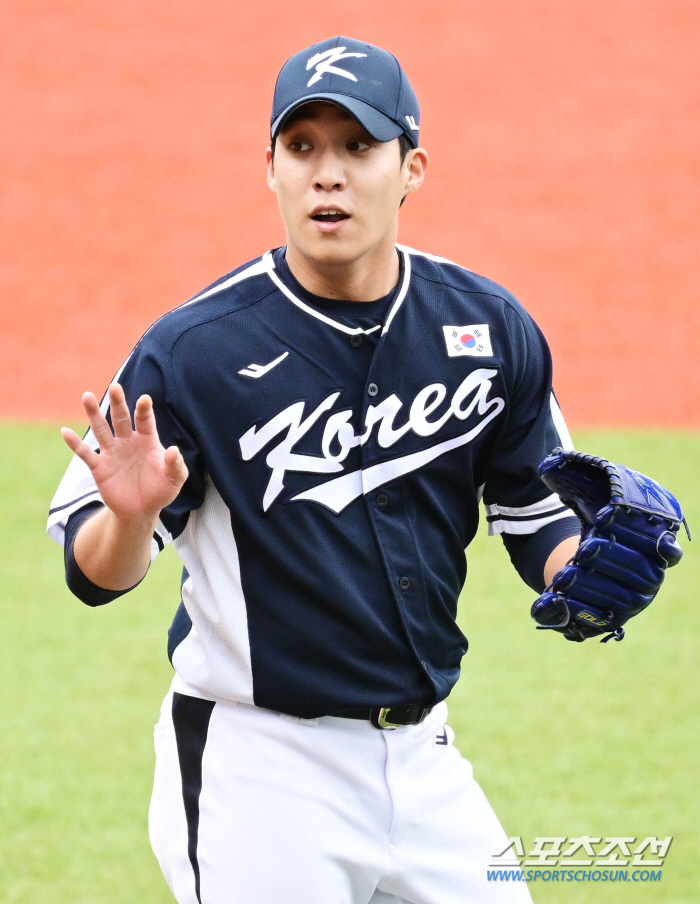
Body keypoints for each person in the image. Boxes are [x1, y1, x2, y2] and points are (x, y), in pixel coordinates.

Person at [48, 36, 584, 904]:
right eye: (301, 148)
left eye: (358, 146)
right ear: (270, 169)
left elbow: (539, 512)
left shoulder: (488, 327)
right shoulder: (193, 351)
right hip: (261, 772)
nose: (327, 175)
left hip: (424, 760)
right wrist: (134, 517)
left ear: (411, 168)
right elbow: (91, 575)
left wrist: (583, 570)